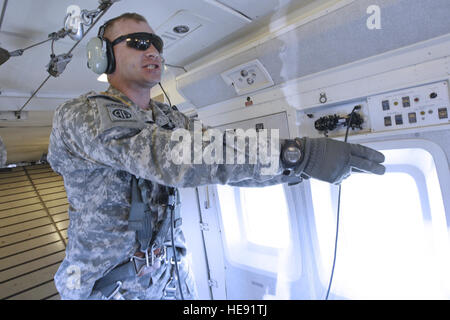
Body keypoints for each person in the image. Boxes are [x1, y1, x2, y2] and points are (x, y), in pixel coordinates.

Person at [48, 12, 385, 300]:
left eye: (156, 44)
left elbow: (220, 163)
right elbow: (168, 158)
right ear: (103, 57)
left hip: (169, 277)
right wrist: (294, 153)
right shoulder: (80, 115)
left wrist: (299, 167)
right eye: (137, 42)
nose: (152, 50)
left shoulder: (172, 119)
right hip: (104, 286)